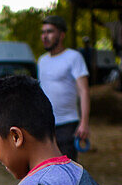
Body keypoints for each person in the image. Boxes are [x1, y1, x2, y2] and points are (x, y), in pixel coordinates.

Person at [37, 16, 90, 160]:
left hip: (67, 125)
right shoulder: (42, 61)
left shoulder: (74, 57)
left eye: (49, 32)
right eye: (43, 32)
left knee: (66, 173)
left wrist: (84, 123)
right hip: (45, 126)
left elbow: (84, 91)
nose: (45, 36)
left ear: (61, 35)